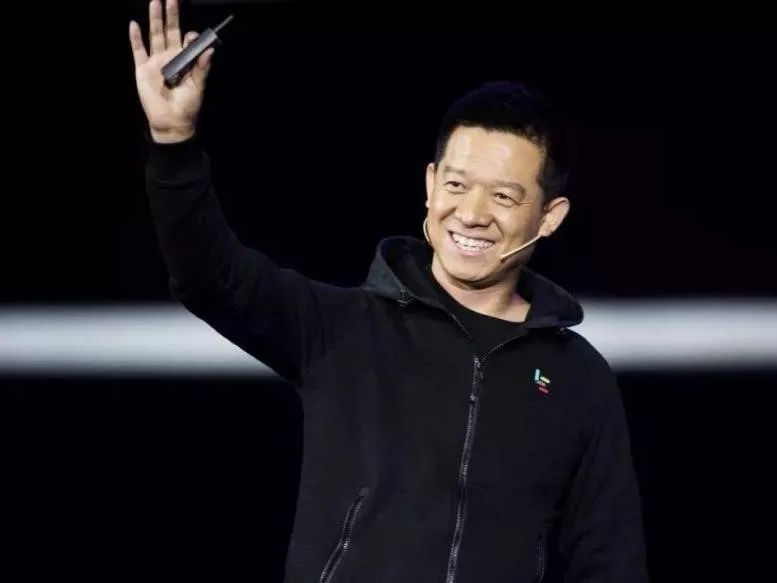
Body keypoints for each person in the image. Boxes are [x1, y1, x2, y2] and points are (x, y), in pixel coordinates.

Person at [129, 1, 650, 581]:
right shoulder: (343, 329)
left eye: (503, 197)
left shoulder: (579, 379)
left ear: (550, 216)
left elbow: (610, 561)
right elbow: (209, 276)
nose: (472, 213)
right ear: (430, 185)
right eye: (457, 184)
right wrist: (172, 141)